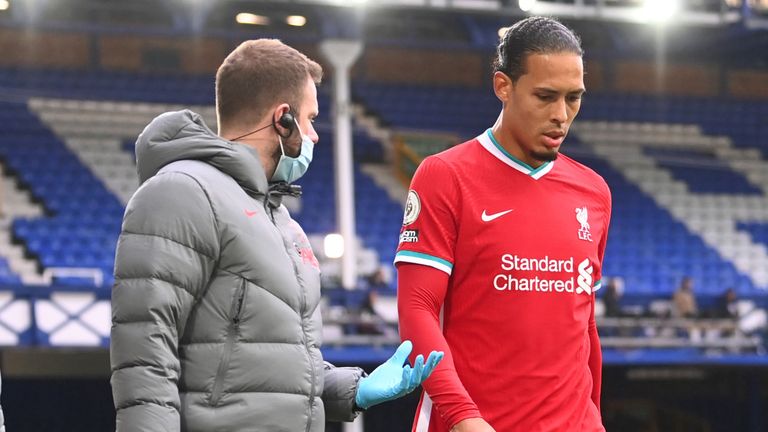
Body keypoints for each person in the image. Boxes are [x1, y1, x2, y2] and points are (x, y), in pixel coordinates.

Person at [110, 39, 443, 431]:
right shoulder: (182, 191)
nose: (315, 136)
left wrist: (354, 389)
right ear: (282, 119)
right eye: (311, 118)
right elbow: (145, 351)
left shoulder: (282, 220)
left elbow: (266, 362)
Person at [396, 17, 611, 432]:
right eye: (545, 97)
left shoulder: (594, 192)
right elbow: (417, 308)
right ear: (503, 87)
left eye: (573, 98)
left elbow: (583, 322)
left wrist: (594, 417)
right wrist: (462, 416)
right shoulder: (445, 176)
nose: (561, 115)